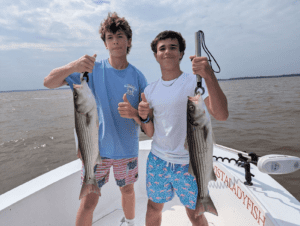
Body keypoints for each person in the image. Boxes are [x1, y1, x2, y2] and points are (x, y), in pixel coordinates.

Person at [44, 12, 148, 226]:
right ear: (105, 43)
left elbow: (147, 119)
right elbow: (49, 82)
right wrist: (74, 65)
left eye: (120, 36)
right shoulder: (91, 71)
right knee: (89, 201)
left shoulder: (138, 77)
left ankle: (129, 222)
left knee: (127, 190)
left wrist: (136, 113)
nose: (115, 41)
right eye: (110, 38)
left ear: (128, 41)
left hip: (127, 149)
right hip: (95, 149)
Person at [138, 30, 229, 226]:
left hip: (190, 163)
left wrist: (209, 74)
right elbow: (151, 132)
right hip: (158, 161)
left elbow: (221, 115)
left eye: (173, 47)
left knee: (195, 212)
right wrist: (144, 118)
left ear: (181, 53)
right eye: (162, 48)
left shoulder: (197, 81)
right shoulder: (149, 90)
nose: (167, 52)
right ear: (156, 55)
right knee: (153, 207)